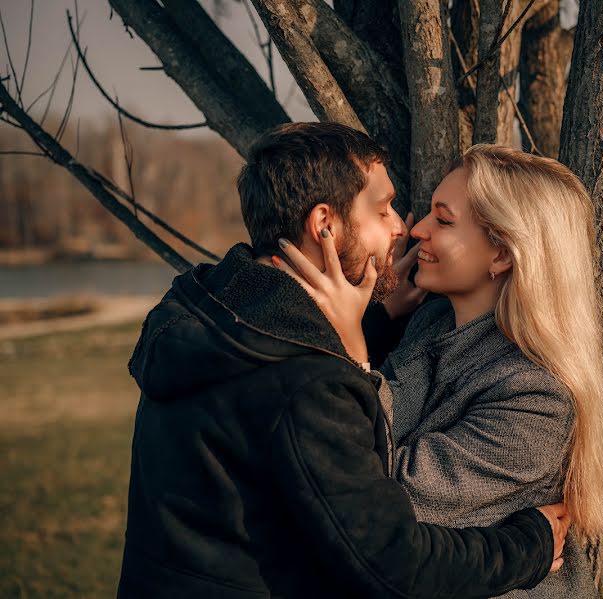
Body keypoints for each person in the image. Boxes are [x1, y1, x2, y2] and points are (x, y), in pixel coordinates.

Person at [116, 123, 571, 599]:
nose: (404, 228)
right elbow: (393, 562)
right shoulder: (311, 378)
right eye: (382, 210)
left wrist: (370, 320)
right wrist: (531, 546)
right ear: (325, 226)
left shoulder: (218, 313)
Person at [274, 144, 603, 597]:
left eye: (444, 220)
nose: (416, 230)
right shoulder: (430, 323)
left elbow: (372, 496)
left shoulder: (537, 398)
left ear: (502, 255)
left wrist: (350, 346)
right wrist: (372, 321)